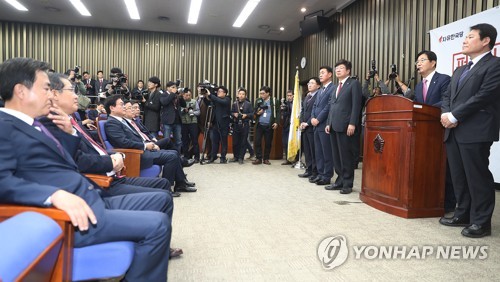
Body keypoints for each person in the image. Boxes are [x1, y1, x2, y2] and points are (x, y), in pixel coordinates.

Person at [0, 57, 171, 280]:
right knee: (157, 225)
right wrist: (52, 195)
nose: (50, 95)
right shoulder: (5, 127)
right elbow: (3, 180)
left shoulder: (33, 123)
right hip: (71, 217)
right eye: (45, 88)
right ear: (21, 91)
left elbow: (66, 162)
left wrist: (70, 134)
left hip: (91, 196)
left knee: (160, 205)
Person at [439, 23, 500, 238]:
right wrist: (445, 114)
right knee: (459, 176)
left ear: (486, 41)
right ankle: (462, 214)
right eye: (465, 36)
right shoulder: (460, 69)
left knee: (477, 177)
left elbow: (485, 95)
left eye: (470, 36)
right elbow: (448, 96)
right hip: (453, 130)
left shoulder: (495, 65)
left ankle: (481, 222)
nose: (465, 40)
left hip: (476, 129)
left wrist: (456, 116)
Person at [104, 95, 197, 193]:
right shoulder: (111, 123)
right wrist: (145, 145)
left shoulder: (121, 121)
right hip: (134, 155)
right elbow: (122, 142)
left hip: (140, 151)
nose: (124, 107)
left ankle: (180, 184)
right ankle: (166, 188)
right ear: (112, 108)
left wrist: (148, 143)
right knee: (171, 156)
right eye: (121, 104)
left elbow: (137, 136)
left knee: (173, 153)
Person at [412, 50, 456, 213]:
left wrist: (425, 109)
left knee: (445, 167)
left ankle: (449, 203)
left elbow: (446, 100)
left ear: (433, 62)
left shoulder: (444, 79)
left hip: (441, 129)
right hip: (425, 132)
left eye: (422, 60)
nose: (419, 63)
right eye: (417, 61)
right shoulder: (418, 85)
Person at [325, 59, 362, 194]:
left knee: (346, 156)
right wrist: (328, 123)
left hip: (346, 125)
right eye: (336, 68)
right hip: (334, 125)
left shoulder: (354, 84)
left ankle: (347, 183)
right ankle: (339, 180)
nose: (338, 70)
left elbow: (356, 105)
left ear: (348, 70)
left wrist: (352, 123)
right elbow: (332, 107)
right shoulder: (335, 87)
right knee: (336, 156)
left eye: (341, 68)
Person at [310, 66, 334, 185]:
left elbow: (329, 106)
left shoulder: (333, 88)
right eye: (319, 73)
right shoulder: (320, 90)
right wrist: (313, 118)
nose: (320, 75)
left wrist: (318, 119)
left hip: (324, 124)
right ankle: (320, 173)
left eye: (323, 72)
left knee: (326, 152)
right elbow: (315, 106)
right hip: (316, 125)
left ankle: (327, 175)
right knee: (318, 152)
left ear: (330, 74)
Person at [298, 77, 320, 179]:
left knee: (313, 151)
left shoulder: (318, 96)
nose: (309, 85)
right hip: (304, 127)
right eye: (308, 83)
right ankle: (309, 170)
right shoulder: (307, 97)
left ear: (318, 85)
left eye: (312, 83)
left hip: (312, 127)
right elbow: (303, 111)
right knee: (307, 151)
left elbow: (315, 113)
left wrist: (307, 123)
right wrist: (302, 121)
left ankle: (315, 172)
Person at [252, 86, 280, 165]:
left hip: (269, 125)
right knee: (257, 141)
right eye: (260, 93)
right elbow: (254, 111)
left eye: (263, 93)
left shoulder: (274, 101)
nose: (261, 95)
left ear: (268, 93)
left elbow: (278, 112)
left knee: (268, 143)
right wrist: (258, 113)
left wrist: (276, 122)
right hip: (259, 124)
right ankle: (258, 158)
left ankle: (266, 158)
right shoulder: (258, 100)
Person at [230, 88, 253, 164]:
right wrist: (234, 114)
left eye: (243, 94)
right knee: (235, 142)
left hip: (245, 124)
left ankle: (241, 158)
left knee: (243, 142)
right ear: (238, 95)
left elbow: (252, 114)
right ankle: (235, 156)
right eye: (240, 94)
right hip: (236, 124)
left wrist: (246, 115)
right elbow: (231, 112)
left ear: (245, 95)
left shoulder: (248, 104)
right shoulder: (234, 103)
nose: (241, 95)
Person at [160, 81, 184, 152]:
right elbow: (164, 102)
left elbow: (184, 105)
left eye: (175, 87)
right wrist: (172, 94)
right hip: (168, 121)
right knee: (166, 140)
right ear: (168, 88)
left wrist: (181, 96)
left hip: (177, 121)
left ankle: (178, 157)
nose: (174, 89)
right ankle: (167, 156)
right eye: (172, 87)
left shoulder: (176, 95)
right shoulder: (163, 94)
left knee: (178, 141)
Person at [180, 88, 201, 162]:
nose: (188, 96)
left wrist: (192, 112)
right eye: (186, 95)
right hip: (184, 123)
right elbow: (178, 112)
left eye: (189, 95)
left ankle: (197, 157)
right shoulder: (180, 102)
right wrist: (183, 110)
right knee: (185, 140)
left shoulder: (194, 101)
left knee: (194, 140)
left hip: (193, 123)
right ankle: (186, 156)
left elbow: (198, 112)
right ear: (183, 95)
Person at [281, 90, 294, 165]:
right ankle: (287, 159)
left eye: (290, 95)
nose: (289, 97)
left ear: (293, 95)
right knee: (285, 142)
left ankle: (294, 159)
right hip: (286, 124)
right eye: (288, 95)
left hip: (293, 125)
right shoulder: (285, 103)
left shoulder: (296, 103)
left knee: (292, 142)